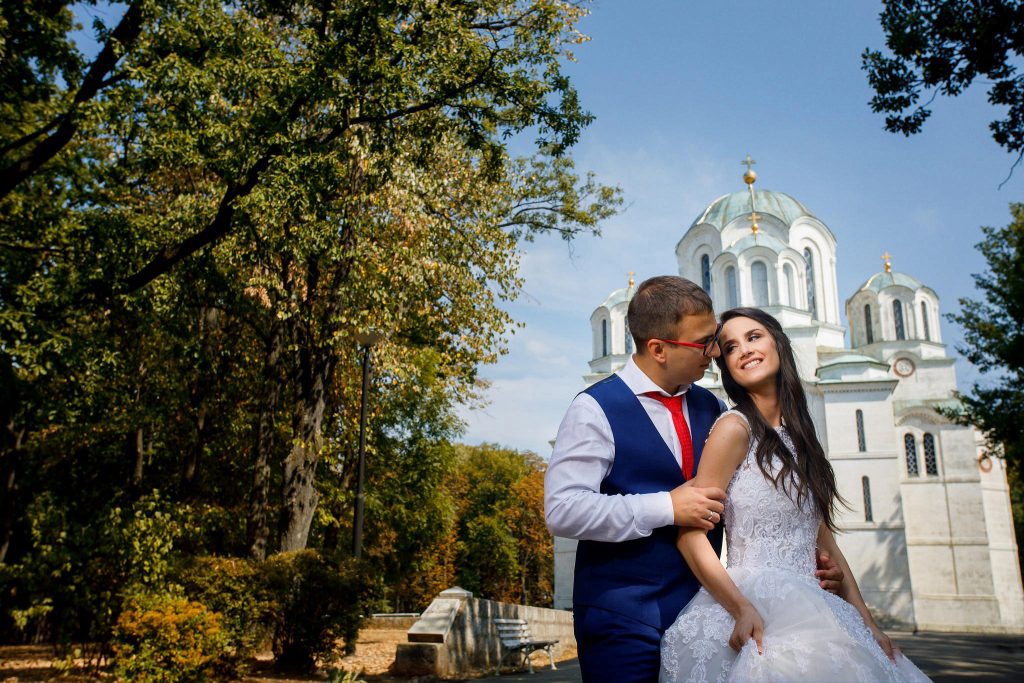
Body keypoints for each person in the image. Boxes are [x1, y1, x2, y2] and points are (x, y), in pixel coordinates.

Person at [545, 277, 844, 683]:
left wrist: (807, 562)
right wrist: (667, 506)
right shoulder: (594, 408)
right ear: (659, 349)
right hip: (622, 618)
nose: (716, 352)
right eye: (705, 342)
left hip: (704, 613)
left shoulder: (715, 408)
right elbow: (563, 510)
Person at [659, 307, 931, 682]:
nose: (744, 350)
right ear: (727, 368)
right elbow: (690, 536)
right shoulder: (734, 428)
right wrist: (740, 608)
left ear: (778, 343)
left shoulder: (801, 438)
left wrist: (869, 624)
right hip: (754, 601)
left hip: (816, 607)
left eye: (754, 337)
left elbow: (826, 543)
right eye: (731, 347)